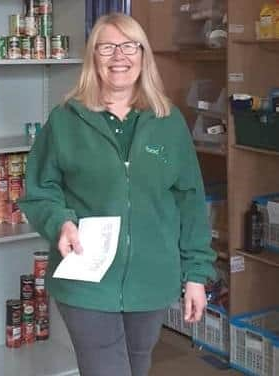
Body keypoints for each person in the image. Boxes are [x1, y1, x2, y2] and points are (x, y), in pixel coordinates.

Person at [18, 13, 216, 376]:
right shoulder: (65, 120)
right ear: (93, 57)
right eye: (106, 47)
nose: (118, 57)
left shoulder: (168, 121)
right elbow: (38, 191)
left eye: (129, 46)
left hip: (152, 281)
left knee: (136, 366)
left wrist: (196, 275)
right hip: (86, 281)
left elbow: (190, 203)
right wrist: (61, 223)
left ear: (143, 56)